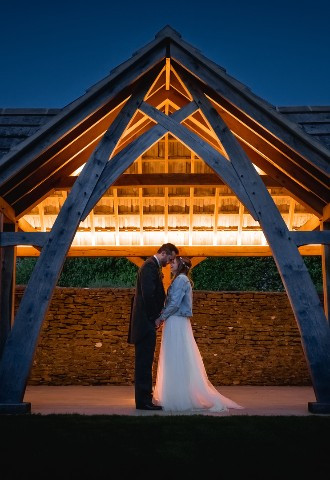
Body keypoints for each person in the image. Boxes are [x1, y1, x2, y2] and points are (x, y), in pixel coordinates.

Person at [153, 256, 243, 413]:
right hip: (175, 320)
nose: (170, 265)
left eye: (173, 262)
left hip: (176, 320)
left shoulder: (181, 280)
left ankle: (178, 397)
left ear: (180, 265)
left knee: (175, 357)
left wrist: (161, 317)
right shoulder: (180, 279)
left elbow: (174, 304)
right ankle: (177, 394)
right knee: (176, 357)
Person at [128, 243, 179, 410]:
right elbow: (148, 295)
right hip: (145, 323)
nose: (170, 262)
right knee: (144, 363)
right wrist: (155, 317)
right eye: (170, 258)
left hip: (146, 322)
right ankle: (143, 402)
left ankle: (145, 400)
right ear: (163, 253)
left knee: (146, 362)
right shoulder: (149, 267)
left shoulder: (152, 266)